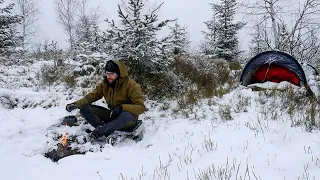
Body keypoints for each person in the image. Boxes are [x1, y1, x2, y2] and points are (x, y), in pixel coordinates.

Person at [65, 60, 145, 138]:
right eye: (107, 74)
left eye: (112, 74)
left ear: (119, 74)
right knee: (84, 109)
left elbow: (141, 108)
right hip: (112, 115)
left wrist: (122, 108)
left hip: (128, 120)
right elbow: (91, 96)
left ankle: (103, 131)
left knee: (126, 114)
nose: (109, 76)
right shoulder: (105, 84)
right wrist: (76, 104)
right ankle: (105, 128)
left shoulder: (131, 85)